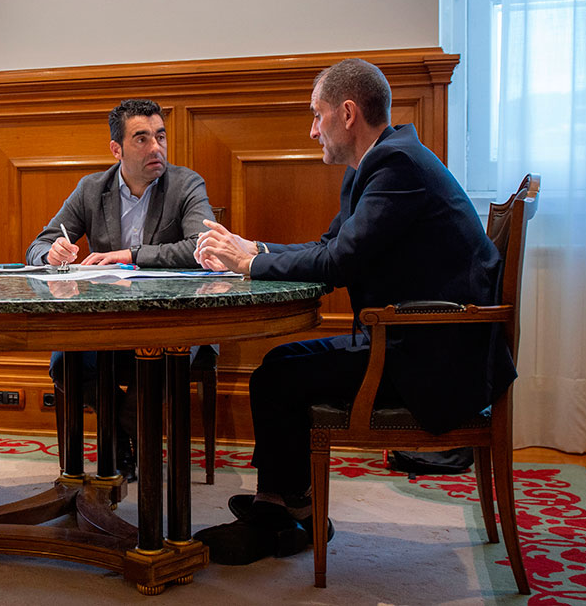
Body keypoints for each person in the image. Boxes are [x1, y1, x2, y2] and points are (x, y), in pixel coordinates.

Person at [192, 59, 516, 565]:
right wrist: (253, 246)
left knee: (276, 377)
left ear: (347, 112)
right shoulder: (381, 161)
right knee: (278, 368)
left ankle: (281, 512)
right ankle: (288, 506)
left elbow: (338, 263)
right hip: (414, 340)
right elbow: (330, 245)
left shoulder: (396, 166)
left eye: (317, 115)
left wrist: (252, 264)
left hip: (427, 355)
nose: (312, 129)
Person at [25, 98, 215, 480]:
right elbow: (37, 245)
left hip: (173, 323)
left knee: (162, 363)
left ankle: (120, 445)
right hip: (107, 322)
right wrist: (53, 253)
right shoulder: (92, 188)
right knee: (66, 363)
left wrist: (130, 255)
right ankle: (130, 444)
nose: (156, 147)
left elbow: (201, 246)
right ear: (117, 149)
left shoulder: (185, 184)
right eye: (142, 139)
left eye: (160, 136)